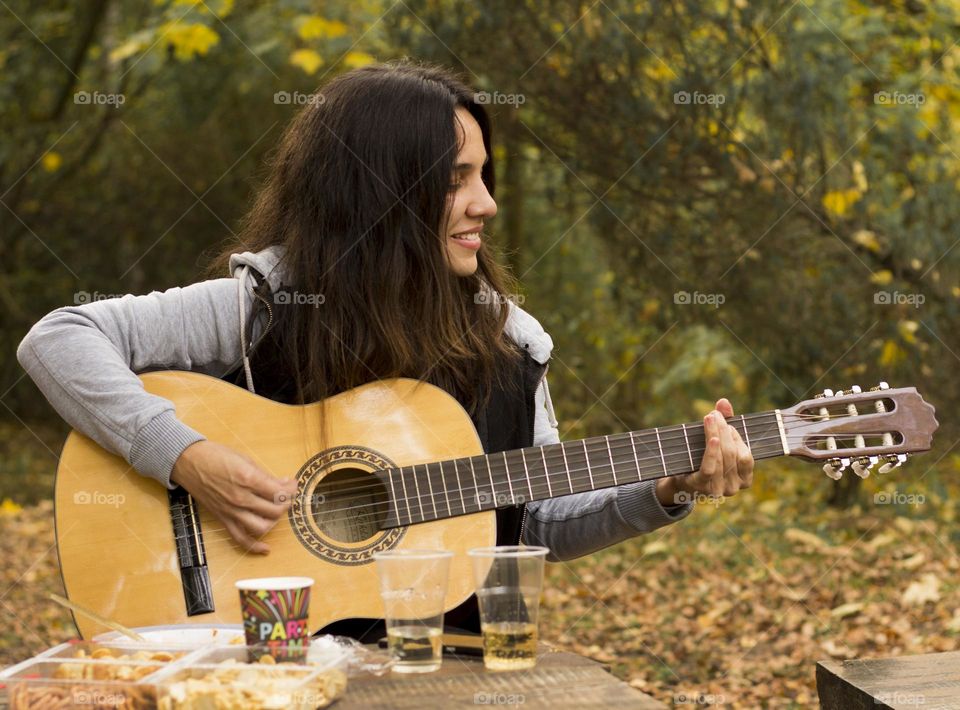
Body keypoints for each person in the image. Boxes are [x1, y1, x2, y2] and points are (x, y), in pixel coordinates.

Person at [17, 60, 753, 638]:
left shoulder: (510, 345)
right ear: (382, 194)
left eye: (484, 176)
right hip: (267, 660)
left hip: (441, 675)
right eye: (457, 180)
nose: (487, 203)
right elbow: (59, 338)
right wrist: (185, 456)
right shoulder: (265, 305)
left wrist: (671, 487)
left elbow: (535, 525)